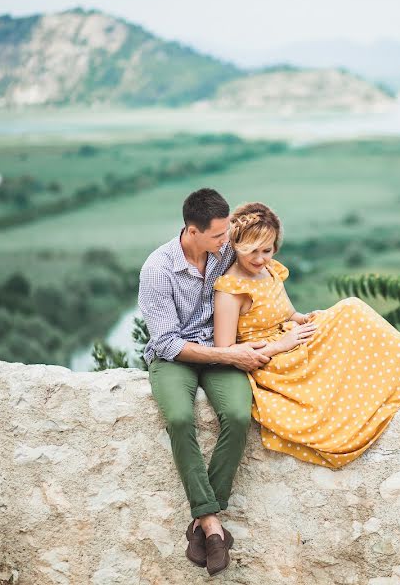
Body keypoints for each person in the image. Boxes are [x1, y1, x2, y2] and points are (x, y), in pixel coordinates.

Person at [212, 202, 400, 470]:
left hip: (293, 339)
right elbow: (226, 352)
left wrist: (306, 318)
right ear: (237, 245)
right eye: (252, 251)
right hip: (273, 363)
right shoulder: (230, 291)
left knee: (351, 310)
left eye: (267, 250)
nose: (260, 258)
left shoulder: (269, 270)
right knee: (351, 308)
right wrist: (280, 345)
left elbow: (288, 314)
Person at [138, 188, 270, 576]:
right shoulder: (157, 269)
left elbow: (262, 266)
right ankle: (211, 522)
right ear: (191, 231)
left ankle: (201, 520)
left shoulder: (226, 249)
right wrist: (229, 355)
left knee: (238, 414)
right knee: (179, 418)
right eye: (217, 235)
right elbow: (167, 343)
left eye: (226, 232)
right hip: (174, 357)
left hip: (221, 349)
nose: (225, 241)